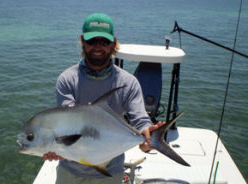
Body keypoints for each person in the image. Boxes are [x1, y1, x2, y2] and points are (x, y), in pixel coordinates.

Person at [44, 13, 164, 184]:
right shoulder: (67, 79)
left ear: (113, 43)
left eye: (104, 42)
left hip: (110, 172)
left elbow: (140, 119)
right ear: (83, 41)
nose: (98, 47)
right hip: (70, 172)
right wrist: (54, 148)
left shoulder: (128, 82)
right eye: (92, 41)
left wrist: (146, 136)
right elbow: (68, 125)